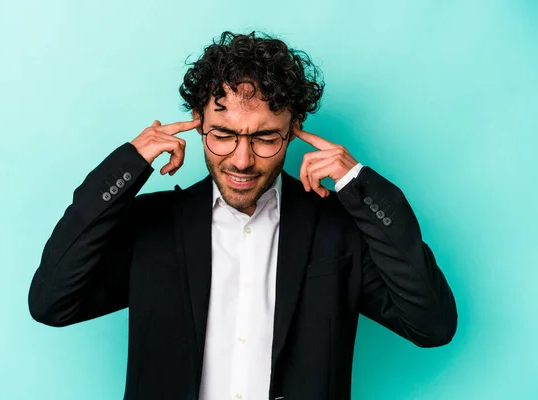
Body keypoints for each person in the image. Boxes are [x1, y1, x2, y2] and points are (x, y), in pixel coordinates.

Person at [28, 31, 457, 400]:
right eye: (223, 135)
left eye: (266, 137)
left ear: (294, 127)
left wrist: (360, 187)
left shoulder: (338, 229)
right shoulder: (152, 227)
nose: (242, 160)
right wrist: (128, 165)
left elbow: (432, 325)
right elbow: (51, 302)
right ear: (198, 123)